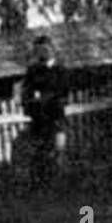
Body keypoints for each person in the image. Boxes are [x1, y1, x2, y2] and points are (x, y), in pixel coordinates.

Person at [23, 35, 68, 189]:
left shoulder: (60, 70)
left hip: (56, 118)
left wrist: (43, 97)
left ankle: (59, 186)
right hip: (38, 119)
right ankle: (41, 186)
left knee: (57, 151)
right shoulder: (32, 71)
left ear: (52, 49)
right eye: (38, 51)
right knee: (38, 153)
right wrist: (32, 103)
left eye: (44, 49)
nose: (41, 53)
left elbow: (62, 93)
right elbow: (26, 93)